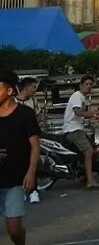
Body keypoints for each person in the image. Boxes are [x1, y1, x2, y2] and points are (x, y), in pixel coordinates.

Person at [0, 70, 40, 245]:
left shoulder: (25, 114)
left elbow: (35, 146)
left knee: (14, 228)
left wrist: (31, 172)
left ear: (9, 91)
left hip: (15, 178)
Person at [62, 75, 99, 189]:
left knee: (92, 148)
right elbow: (78, 112)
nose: (89, 87)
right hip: (73, 130)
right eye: (87, 84)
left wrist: (97, 115)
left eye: (91, 85)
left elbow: (85, 114)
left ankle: (85, 176)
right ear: (81, 85)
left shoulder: (83, 98)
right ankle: (90, 181)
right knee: (89, 151)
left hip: (78, 129)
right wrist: (94, 114)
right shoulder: (77, 96)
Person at [14, 81, 41, 205]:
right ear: (26, 87)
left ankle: (34, 191)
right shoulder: (13, 101)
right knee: (19, 165)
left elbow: (39, 116)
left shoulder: (34, 101)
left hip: (31, 137)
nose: (35, 89)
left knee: (33, 163)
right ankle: (22, 191)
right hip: (17, 138)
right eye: (33, 87)